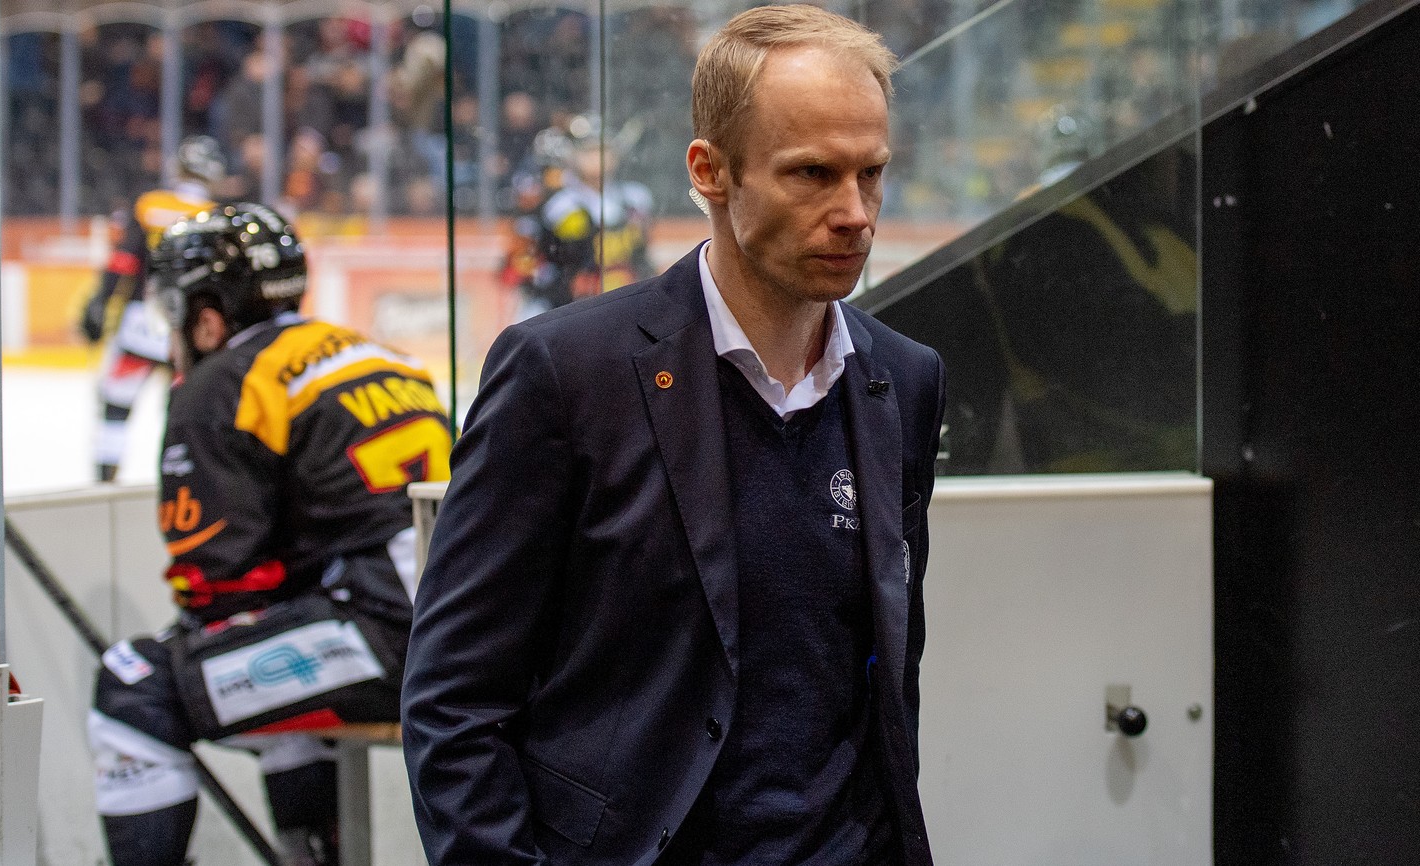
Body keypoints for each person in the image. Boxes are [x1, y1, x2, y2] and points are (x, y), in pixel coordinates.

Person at [402, 6, 945, 866]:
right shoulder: (564, 374)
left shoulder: (904, 379)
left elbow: (883, 669)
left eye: (870, 173)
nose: (855, 213)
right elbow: (454, 699)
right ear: (711, 170)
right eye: (812, 174)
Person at [88, 202, 451, 866]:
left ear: (206, 315)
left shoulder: (222, 383)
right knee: (278, 674)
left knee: (133, 687)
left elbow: (214, 585)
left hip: (392, 642)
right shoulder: (380, 355)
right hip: (461, 629)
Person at [78, 134, 225, 482]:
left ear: (179, 167)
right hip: (187, 329)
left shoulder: (148, 204)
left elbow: (125, 261)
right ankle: (179, 481)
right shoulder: (217, 216)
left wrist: (100, 300)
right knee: (181, 412)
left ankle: (105, 481)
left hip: (140, 321)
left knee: (116, 405)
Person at [513, 115, 656, 320]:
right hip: (567, 307)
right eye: (589, 151)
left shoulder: (635, 198)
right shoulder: (559, 205)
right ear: (572, 156)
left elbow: (641, 256)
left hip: (623, 302)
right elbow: (542, 261)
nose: (598, 158)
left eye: (604, 150)